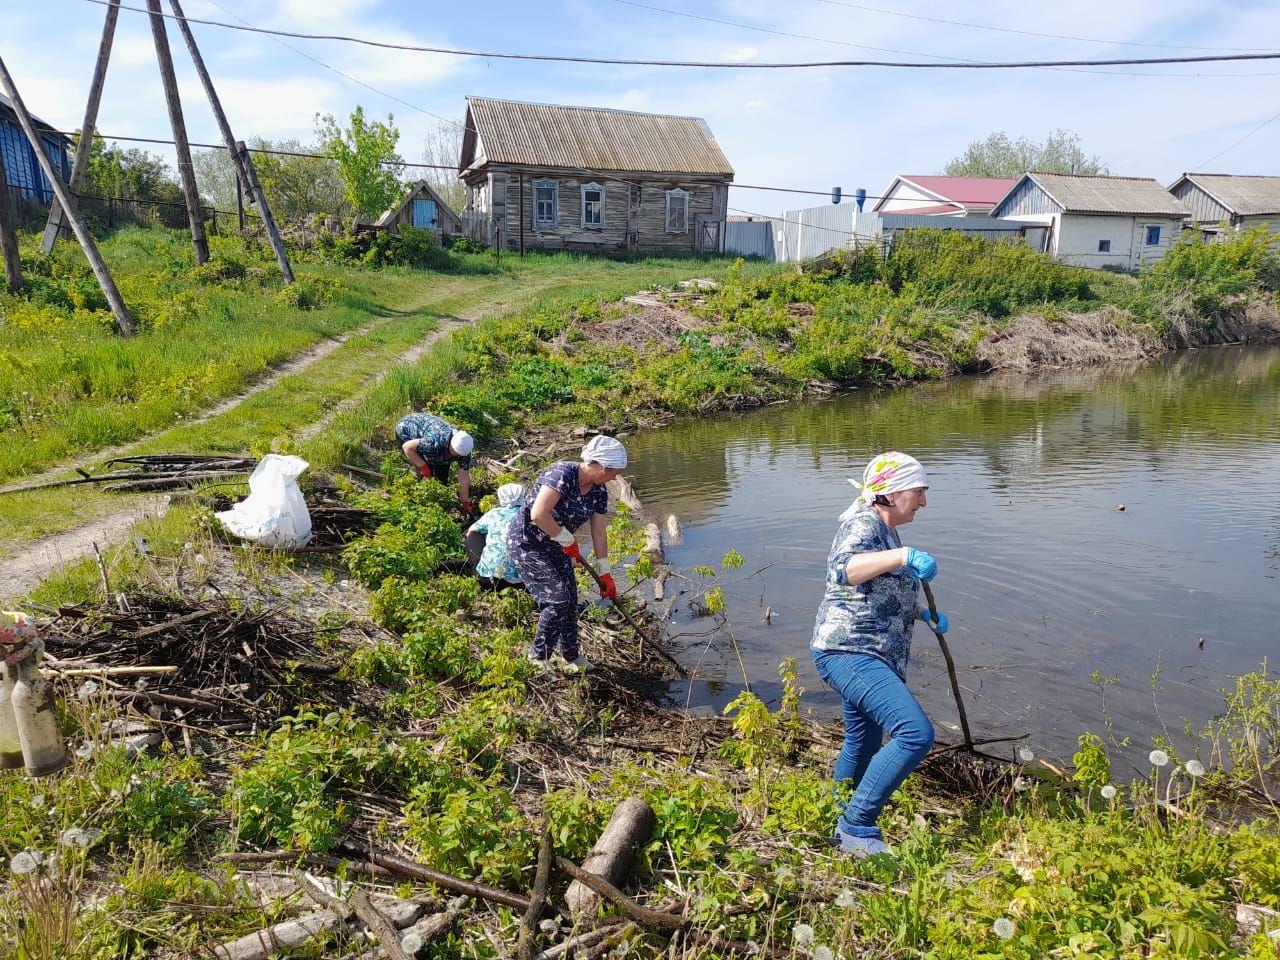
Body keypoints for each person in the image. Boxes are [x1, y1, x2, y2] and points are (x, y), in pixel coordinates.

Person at [810, 451, 949, 858]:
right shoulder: (864, 523)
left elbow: (878, 591)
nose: (923, 502)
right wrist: (905, 557)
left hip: (866, 651)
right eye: (919, 492)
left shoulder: (887, 532)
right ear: (892, 492)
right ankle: (857, 826)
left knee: (863, 739)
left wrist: (923, 613)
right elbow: (843, 569)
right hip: (849, 651)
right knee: (915, 733)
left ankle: (838, 813)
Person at [507, 435, 626, 674]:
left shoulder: (598, 491)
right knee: (557, 599)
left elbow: (599, 532)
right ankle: (538, 656)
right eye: (613, 472)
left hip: (557, 547)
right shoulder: (562, 473)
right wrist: (566, 539)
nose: (615, 478)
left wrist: (606, 572)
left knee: (571, 600)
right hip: (528, 544)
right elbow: (539, 514)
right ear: (600, 466)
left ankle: (570, 656)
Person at [395, 412, 474, 514]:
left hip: (435, 444)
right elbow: (407, 447)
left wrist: (465, 502)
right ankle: (420, 506)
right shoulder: (434, 442)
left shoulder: (464, 451)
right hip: (406, 429)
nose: (457, 457)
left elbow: (463, 479)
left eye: (459, 455)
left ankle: (437, 506)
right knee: (425, 474)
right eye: (455, 453)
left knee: (441, 481)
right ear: (451, 445)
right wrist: (423, 467)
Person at [468, 483, 525, 590]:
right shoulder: (531, 515)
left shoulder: (495, 513)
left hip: (490, 579)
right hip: (525, 583)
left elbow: (471, 531)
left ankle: (478, 570)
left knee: (473, 535)